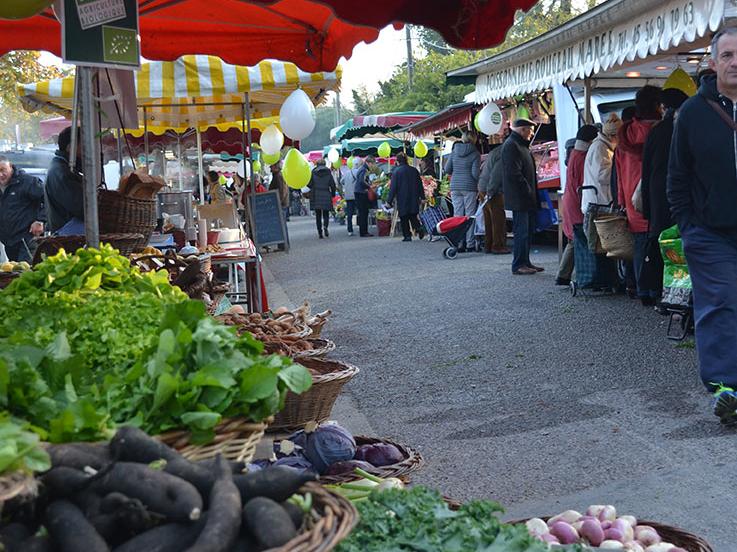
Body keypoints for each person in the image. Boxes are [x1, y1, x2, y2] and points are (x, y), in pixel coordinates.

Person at [667, 27, 737, 423]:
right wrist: (689, 225)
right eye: (726, 55)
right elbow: (677, 177)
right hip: (710, 231)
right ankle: (726, 386)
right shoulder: (693, 112)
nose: (734, 63)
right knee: (721, 301)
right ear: (713, 63)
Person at [639, 87, 690, 302]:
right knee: (680, 247)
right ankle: (679, 295)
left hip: (659, 197)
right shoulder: (688, 128)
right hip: (684, 198)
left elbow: (646, 170)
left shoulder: (657, 131)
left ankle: (653, 291)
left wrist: (647, 205)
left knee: (660, 244)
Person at [616, 85, 663, 306]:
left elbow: (617, 172)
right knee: (656, 246)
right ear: (656, 105)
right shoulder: (660, 131)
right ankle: (653, 288)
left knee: (639, 246)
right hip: (653, 196)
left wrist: (621, 201)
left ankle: (640, 287)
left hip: (631, 198)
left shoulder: (624, 133)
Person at [556, 124, 599, 286]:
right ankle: (568, 275)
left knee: (574, 238)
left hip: (570, 200)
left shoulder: (575, 153)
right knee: (578, 237)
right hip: (577, 202)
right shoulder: (583, 157)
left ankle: (563, 276)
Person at [502, 118, 541, 275]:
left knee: (527, 231)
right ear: (522, 129)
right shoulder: (512, 145)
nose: (531, 133)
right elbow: (514, 173)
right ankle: (518, 264)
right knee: (521, 232)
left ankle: (526, 261)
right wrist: (527, 189)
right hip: (520, 197)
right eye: (530, 130)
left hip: (526, 196)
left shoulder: (521, 145)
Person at [0, 156, 45, 262]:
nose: (0, 175)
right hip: (8, 242)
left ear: (10, 166)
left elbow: (48, 200)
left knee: (26, 272)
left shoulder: (28, 182)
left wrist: (41, 220)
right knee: (13, 273)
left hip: (28, 239)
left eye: (2, 170)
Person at [444, 131, 480, 252]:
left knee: (458, 215)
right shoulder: (475, 153)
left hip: (455, 186)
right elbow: (475, 174)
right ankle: (470, 244)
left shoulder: (454, 152)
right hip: (469, 187)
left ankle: (458, 243)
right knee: (469, 215)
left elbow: (447, 169)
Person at [46, 126, 85, 235]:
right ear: (70, 148)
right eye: (83, 145)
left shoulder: (64, 167)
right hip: (67, 233)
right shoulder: (62, 172)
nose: (87, 150)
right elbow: (82, 208)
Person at [477, 145, 510, 254]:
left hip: (483, 186)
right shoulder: (503, 154)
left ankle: (488, 244)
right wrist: (491, 191)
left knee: (488, 218)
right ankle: (498, 246)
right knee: (498, 219)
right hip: (491, 189)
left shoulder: (495, 152)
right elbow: (496, 175)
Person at [387, 152, 425, 242]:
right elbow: (420, 185)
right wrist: (422, 197)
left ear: (397, 161)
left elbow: (393, 187)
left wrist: (389, 201)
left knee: (404, 216)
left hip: (402, 196)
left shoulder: (396, 172)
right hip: (413, 196)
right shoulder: (414, 170)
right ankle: (418, 228)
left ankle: (407, 236)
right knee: (413, 215)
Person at [306, 158, 336, 239]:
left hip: (316, 195)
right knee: (326, 213)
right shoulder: (328, 172)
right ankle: (325, 226)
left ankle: (320, 232)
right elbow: (332, 184)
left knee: (318, 215)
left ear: (317, 164)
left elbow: (309, 184)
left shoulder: (313, 172)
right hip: (326, 193)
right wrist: (333, 194)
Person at [354, 156, 376, 237]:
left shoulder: (361, 169)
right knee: (364, 212)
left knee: (362, 212)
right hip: (361, 193)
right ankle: (364, 232)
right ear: (368, 163)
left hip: (358, 192)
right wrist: (369, 186)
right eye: (372, 164)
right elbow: (362, 181)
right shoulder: (364, 170)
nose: (372, 166)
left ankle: (362, 231)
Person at [341, 159, 358, 235]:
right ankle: (361, 227)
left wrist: (347, 185)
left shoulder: (347, 173)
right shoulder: (358, 172)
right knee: (359, 211)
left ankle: (350, 230)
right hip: (356, 195)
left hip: (348, 195)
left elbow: (341, 181)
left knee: (349, 214)